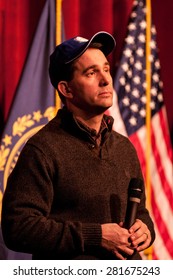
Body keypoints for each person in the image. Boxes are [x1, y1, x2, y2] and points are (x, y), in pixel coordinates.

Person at [1, 31, 155, 260]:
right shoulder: (43, 149)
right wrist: (95, 235)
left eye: (105, 69)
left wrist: (146, 229)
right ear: (66, 89)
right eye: (91, 73)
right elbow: (18, 227)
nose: (106, 79)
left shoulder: (124, 147)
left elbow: (140, 211)